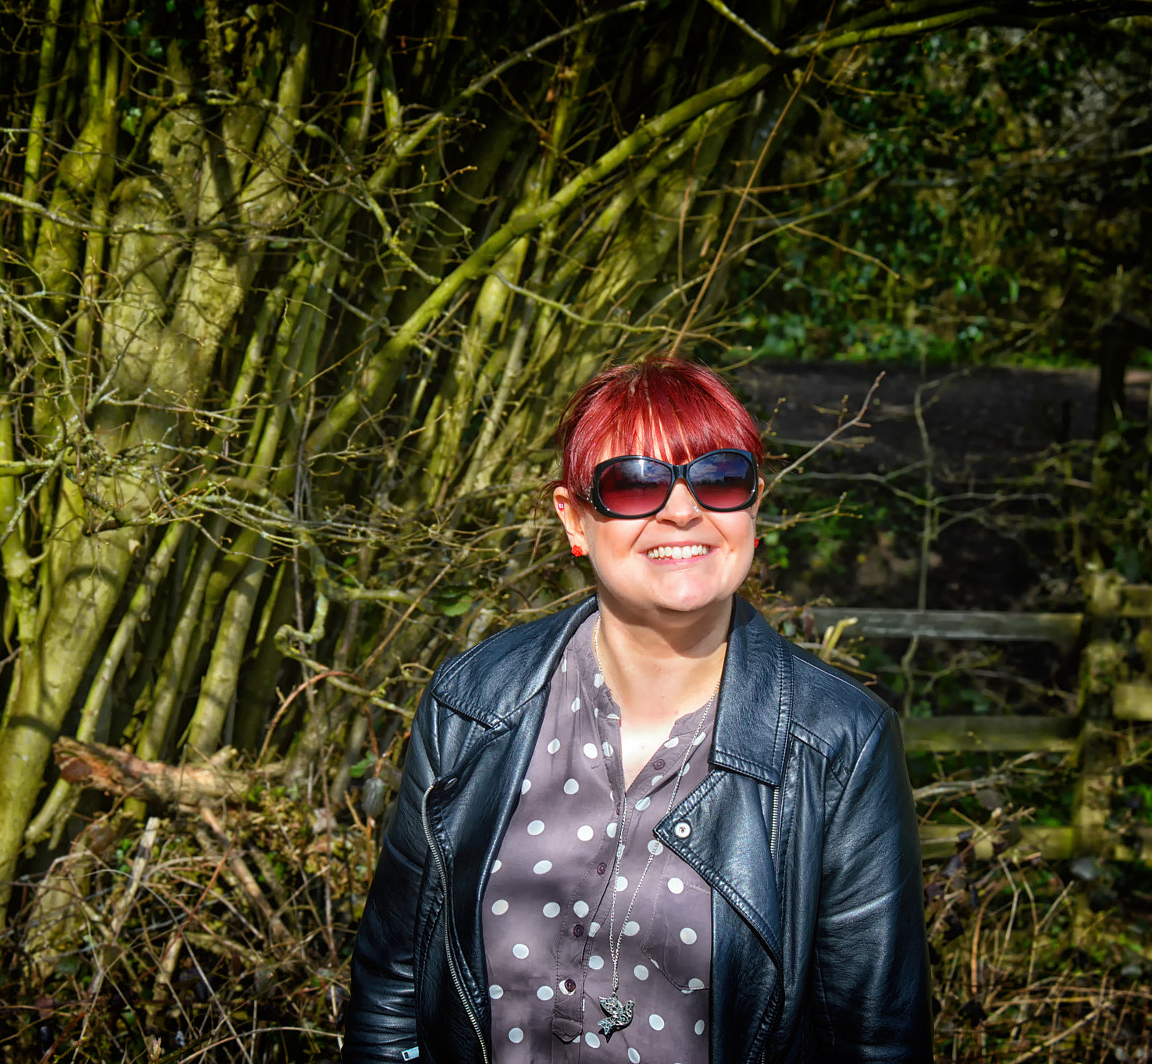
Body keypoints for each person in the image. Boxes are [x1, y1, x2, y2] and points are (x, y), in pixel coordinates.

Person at [345, 358, 930, 1064]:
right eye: (634, 483)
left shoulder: (838, 746)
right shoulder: (474, 703)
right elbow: (392, 989)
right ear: (575, 520)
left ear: (753, 508)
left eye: (718, 478)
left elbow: (876, 1043)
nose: (682, 510)